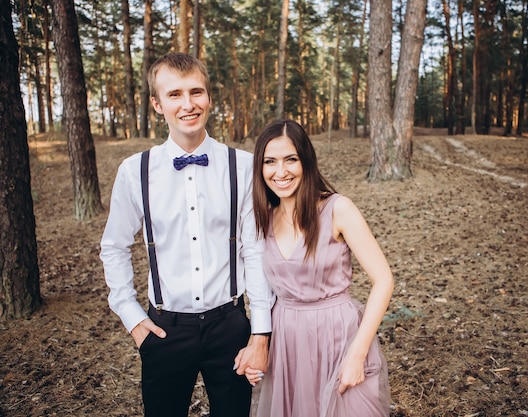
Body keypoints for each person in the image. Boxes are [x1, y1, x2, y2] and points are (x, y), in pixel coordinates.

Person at [100, 52, 274, 417]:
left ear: (209, 97)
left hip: (230, 325)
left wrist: (260, 333)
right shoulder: (135, 172)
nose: (188, 104)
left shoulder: (241, 166)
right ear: (157, 104)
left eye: (196, 92)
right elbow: (114, 246)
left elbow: (254, 251)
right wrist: (132, 318)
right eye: (174, 94)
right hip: (164, 330)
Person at [246, 119, 393, 417]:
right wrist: (258, 345)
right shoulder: (264, 219)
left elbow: (383, 280)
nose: (281, 171)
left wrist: (357, 353)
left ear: (306, 162)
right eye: (270, 162)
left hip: (337, 338)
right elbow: (263, 292)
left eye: (291, 160)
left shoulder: (337, 209)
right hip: (288, 344)